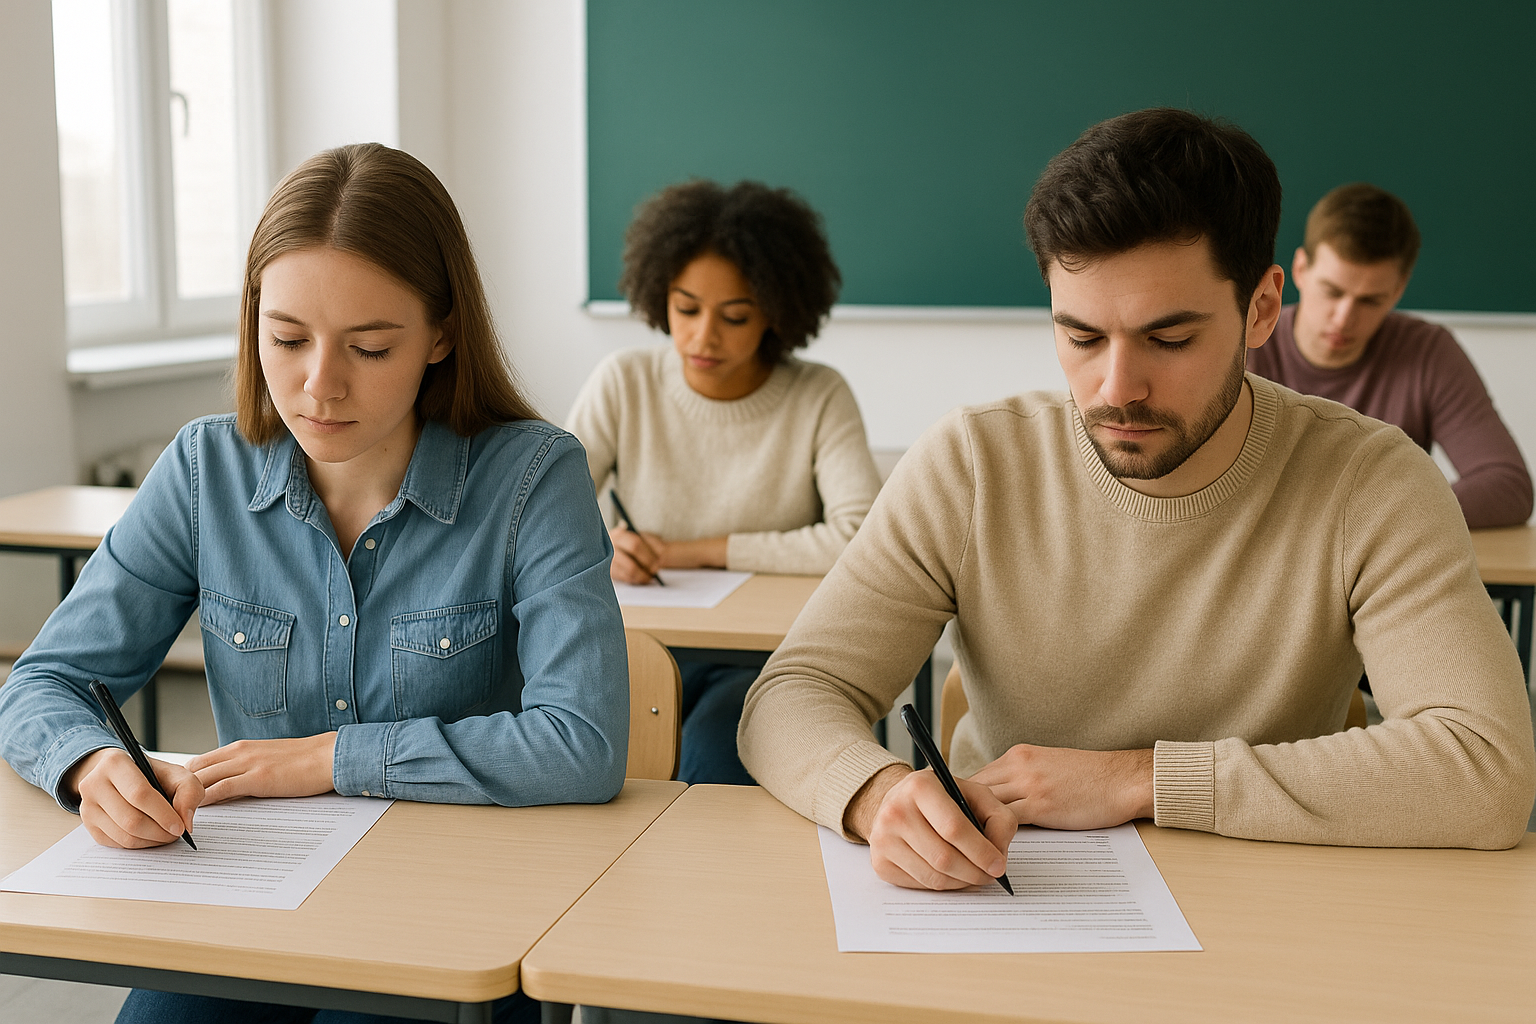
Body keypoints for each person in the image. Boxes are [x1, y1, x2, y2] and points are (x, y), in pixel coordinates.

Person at [738, 109, 1536, 894]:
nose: (1117, 389)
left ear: (1262, 308)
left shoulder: (1375, 482)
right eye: (1082, 338)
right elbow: (791, 696)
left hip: (1283, 909)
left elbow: (1488, 769)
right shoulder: (973, 463)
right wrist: (876, 797)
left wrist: (1143, 781)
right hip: (1013, 904)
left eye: (1170, 339)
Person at [0, 143, 628, 1024]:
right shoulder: (203, 469)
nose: (318, 385)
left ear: (442, 334)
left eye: (369, 348)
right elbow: (42, 682)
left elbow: (582, 743)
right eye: (287, 339)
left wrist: (330, 759)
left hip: (450, 916)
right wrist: (90, 763)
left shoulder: (533, 478)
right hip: (248, 904)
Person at [566, 179, 882, 786]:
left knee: (715, 755)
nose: (702, 337)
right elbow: (544, 516)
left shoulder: (818, 396)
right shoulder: (624, 381)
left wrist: (697, 553)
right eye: (686, 309)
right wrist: (605, 547)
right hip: (638, 645)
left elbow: (860, 537)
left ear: (777, 313)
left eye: (734, 317)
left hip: (768, 658)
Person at [1249, 183, 1532, 529]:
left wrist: (1369, 519)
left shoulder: (1428, 352)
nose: (1344, 318)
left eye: (1370, 301)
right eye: (1332, 291)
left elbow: (1509, 485)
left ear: (1399, 288)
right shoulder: (1244, 344)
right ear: (1300, 270)